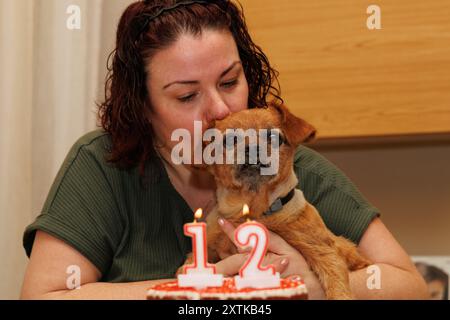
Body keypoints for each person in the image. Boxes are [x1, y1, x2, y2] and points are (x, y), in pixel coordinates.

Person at [20, 0, 428, 299]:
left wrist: (313, 283)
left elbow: (409, 285)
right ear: (143, 108)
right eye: (186, 96)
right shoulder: (103, 164)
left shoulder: (291, 165)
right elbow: (43, 296)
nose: (219, 109)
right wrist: (191, 293)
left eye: (230, 82)